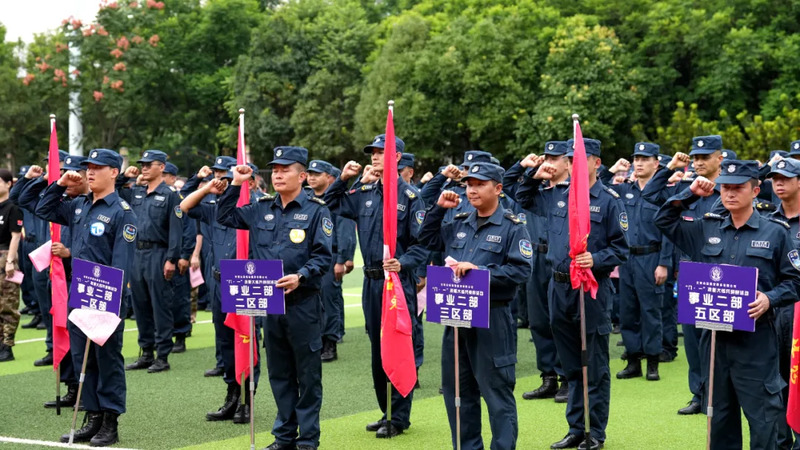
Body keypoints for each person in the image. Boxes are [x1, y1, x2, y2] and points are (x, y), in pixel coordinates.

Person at [654, 159, 800, 449]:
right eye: (725, 188)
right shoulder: (705, 228)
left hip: (756, 340)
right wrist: (691, 193)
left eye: (738, 188)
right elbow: (663, 221)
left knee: (763, 420)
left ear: (756, 191)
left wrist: (769, 299)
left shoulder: (776, 232)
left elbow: (795, 281)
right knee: (719, 417)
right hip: (715, 341)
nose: (730, 194)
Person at [516, 138, 628, 450]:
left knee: (593, 364)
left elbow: (622, 248)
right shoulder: (556, 196)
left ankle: (595, 433)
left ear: (596, 163)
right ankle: (576, 428)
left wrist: (598, 259)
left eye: (582, 158)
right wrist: (533, 172)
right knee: (570, 366)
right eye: (571, 158)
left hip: (590, 288)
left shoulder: (608, 200)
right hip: (558, 286)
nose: (576, 163)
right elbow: (522, 197)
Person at [217, 147, 332, 450]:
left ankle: (307, 440)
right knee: (279, 374)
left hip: (303, 304)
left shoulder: (317, 210)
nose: (278, 174)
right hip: (270, 306)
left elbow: (323, 256)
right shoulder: (260, 207)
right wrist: (236, 182)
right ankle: (284, 437)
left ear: (302, 176)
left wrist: (301, 276)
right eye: (275, 169)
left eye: (286, 169)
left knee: (307, 376)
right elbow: (225, 215)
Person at [420, 162, 532, 449]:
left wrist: (482, 275)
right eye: (469, 183)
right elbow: (426, 240)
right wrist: (438, 209)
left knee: (496, 394)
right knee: (458, 393)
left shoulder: (512, 225)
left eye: (480, 184)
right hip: (456, 318)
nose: (472, 189)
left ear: (498, 188)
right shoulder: (458, 219)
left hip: (492, 320)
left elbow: (521, 271)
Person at [324, 134, 428, 438]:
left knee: (396, 346)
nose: (374, 157)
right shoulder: (365, 192)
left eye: (382, 152)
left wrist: (404, 263)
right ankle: (386, 410)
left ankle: (400, 417)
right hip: (372, 282)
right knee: (377, 350)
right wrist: (343, 179)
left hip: (396, 281)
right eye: (372, 152)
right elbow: (331, 203)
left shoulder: (411, 197)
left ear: (396, 157)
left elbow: (422, 245)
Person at [36, 148, 136, 446]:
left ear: (114, 172)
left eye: (97, 167)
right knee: (83, 362)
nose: (89, 172)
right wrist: (59, 183)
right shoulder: (79, 205)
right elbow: (42, 208)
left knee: (107, 362)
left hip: (106, 297)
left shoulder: (122, 213)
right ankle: (91, 418)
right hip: (79, 295)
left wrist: (109, 306)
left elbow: (121, 264)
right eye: (88, 167)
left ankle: (110, 422)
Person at [642, 135, 724, 415]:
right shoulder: (686, 189)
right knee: (692, 339)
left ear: (719, 158)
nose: (699, 162)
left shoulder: (731, 189)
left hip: (724, 274)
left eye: (705, 157)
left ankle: (722, 396)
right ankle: (698, 395)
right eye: (696, 157)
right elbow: (650, 195)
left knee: (722, 340)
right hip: (691, 272)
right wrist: (669, 168)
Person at [15, 157, 88, 407]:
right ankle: (69, 386)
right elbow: (24, 200)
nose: (68, 178)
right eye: (63, 172)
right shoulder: (60, 202)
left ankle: (86, 391)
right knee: (59, 329)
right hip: (57, 275)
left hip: (79, 275)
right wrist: (49, 180)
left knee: (80, 336)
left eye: (73, 173)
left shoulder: (84, 205)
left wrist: (70, 253)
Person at [602, 143, 673, 381]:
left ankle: (653, 360)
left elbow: (669, 231)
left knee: (651, 310)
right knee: (627, 310)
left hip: (651, 256)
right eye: (636, 158)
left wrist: (664, 263)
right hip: (627, 258)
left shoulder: (664, 193)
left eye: (645, 159)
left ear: (657, 163)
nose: (639, 163)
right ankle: (633, 360)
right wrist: (611, 171)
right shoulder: (625, 189)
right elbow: (598, 189)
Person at [506, 141, 569, 402]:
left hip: (560, 261)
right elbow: (507, 185)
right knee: (539, 320)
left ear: (568, 162)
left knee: (561, 321)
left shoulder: (572, 192)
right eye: (548, 158)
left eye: (557, 158)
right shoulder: (534, 192)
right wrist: (525, 168)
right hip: (535, 259)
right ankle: (548, 377)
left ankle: (568, 377)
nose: (550, 163)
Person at [121, 150, 183, 373]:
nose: (144, 167)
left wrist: (171, 259)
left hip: (158, 253)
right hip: (137, 253)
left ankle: (162, 355)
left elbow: (176, 231)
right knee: (140, 305)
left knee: (160, 305)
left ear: (162, 167)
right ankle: (146, 352)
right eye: (142, 164)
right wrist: (124, 176)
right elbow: (115, 192)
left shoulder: (170, 195)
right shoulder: (136, 192)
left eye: (149, 164)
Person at [764, 158, 800, 449]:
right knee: (773, 380)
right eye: (775, 178)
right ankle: (779, 442)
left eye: (786, 177)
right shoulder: (765, 219)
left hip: (799, 313)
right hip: (772, 311)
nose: (779, 183)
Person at [306, 160, 356, 362]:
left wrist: (342, 259)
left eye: (317, 174)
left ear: (329, 177)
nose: (311, 177)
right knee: (312, 302)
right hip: (310, 257)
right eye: (309, 174)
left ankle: (330, 344)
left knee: (330, 301)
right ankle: (316, 341)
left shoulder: (337, 200)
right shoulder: (306, 198)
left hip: (331, 256)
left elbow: (344, 230)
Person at [163, 162, 194, 353]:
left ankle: (181, 335)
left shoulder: (179, 198)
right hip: (159, 254)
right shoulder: (154, 197)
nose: (162, 177)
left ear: (173, 178)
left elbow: (188, 230)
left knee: (179, 297)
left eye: (166, 174)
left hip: (177, 256)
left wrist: (184, 255)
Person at [0, 168, 22, 363]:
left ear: (8, 184)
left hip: (6, 254)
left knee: (8, 303)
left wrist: (10, 261)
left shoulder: (12, 208)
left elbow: (16, 236)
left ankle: (7, 345)